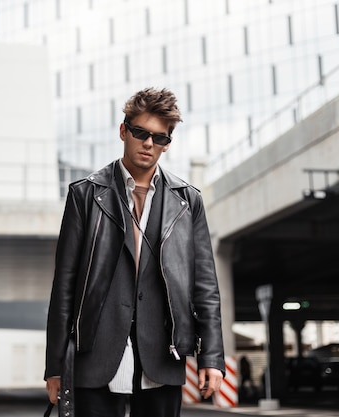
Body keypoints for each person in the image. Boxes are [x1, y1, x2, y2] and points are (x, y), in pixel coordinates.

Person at [44, 87, 225, 417]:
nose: (149, 144)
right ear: (123, 131)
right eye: (141, 133)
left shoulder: (187, 201)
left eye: (160, 138)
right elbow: (64, 288)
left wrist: (211, 357)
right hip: (95, 352)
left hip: (162, 353)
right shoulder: (86, 195)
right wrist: (55, 367)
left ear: (168, 143)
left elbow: (205, 288)